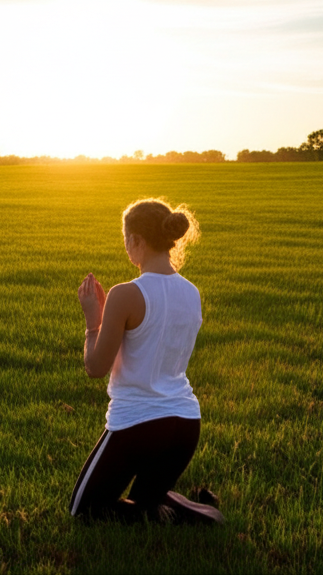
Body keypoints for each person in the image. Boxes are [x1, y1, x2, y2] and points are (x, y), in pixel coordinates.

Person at [69, 198, 224, 525]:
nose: (126, 247)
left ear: (137, 240)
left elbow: (95, 368)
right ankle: (198, 514)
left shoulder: (125, 294)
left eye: (126, 240)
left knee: (83, 513)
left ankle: (166, 512)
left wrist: (92, 321)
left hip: (138, 425)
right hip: (185, 425)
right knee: (144, 503)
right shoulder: (192, 292)